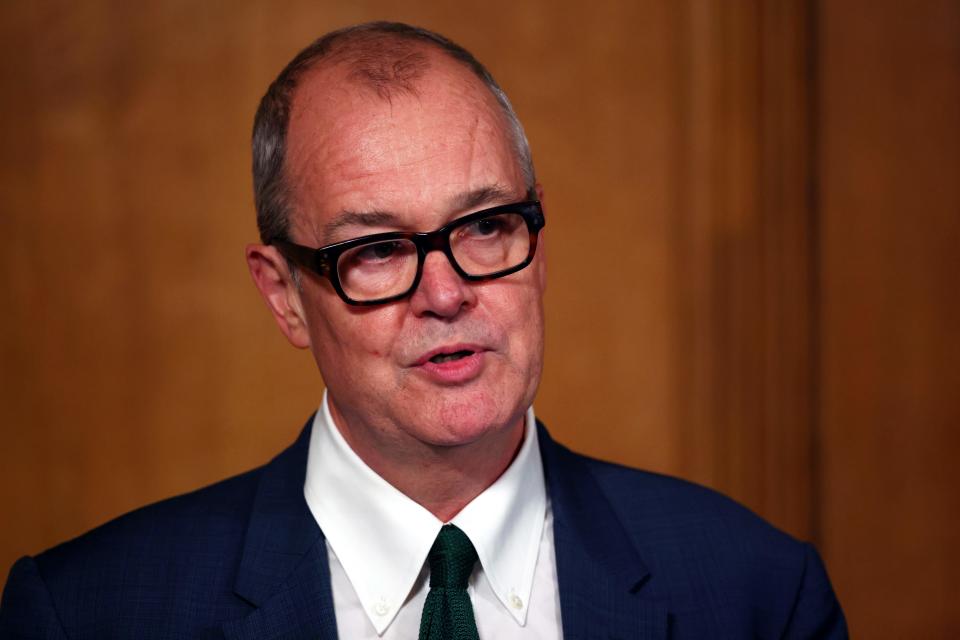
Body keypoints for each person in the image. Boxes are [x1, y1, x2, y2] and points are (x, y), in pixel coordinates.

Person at [0, 21, 846, 639]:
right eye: (376, 249)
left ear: (538, 244)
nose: (445, 293)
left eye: (484, 227)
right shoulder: (88, 613)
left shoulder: (758, 594)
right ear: (285, 295)